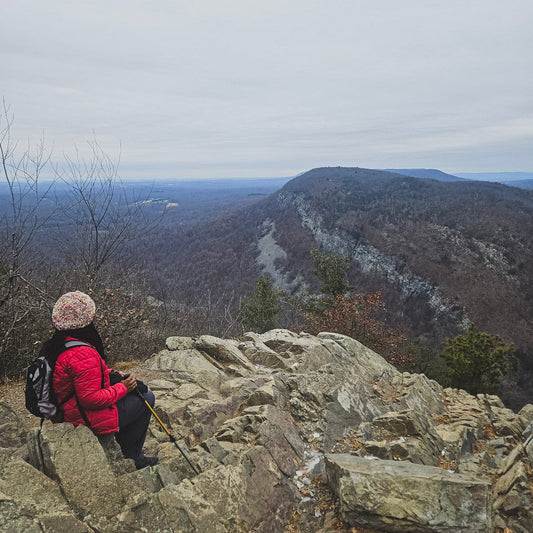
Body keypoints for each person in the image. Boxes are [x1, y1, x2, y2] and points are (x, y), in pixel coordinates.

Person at [42, 290, 158, 469]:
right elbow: (90, 399)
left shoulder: (59, 343)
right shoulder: (82, 352)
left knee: (134, 395)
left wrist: (110, 374)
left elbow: (81, 373)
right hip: (80, 419)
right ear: (84, 321)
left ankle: (124, 444)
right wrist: (123, 388)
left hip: (64, 411)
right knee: (147, 398)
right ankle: (133, 457)